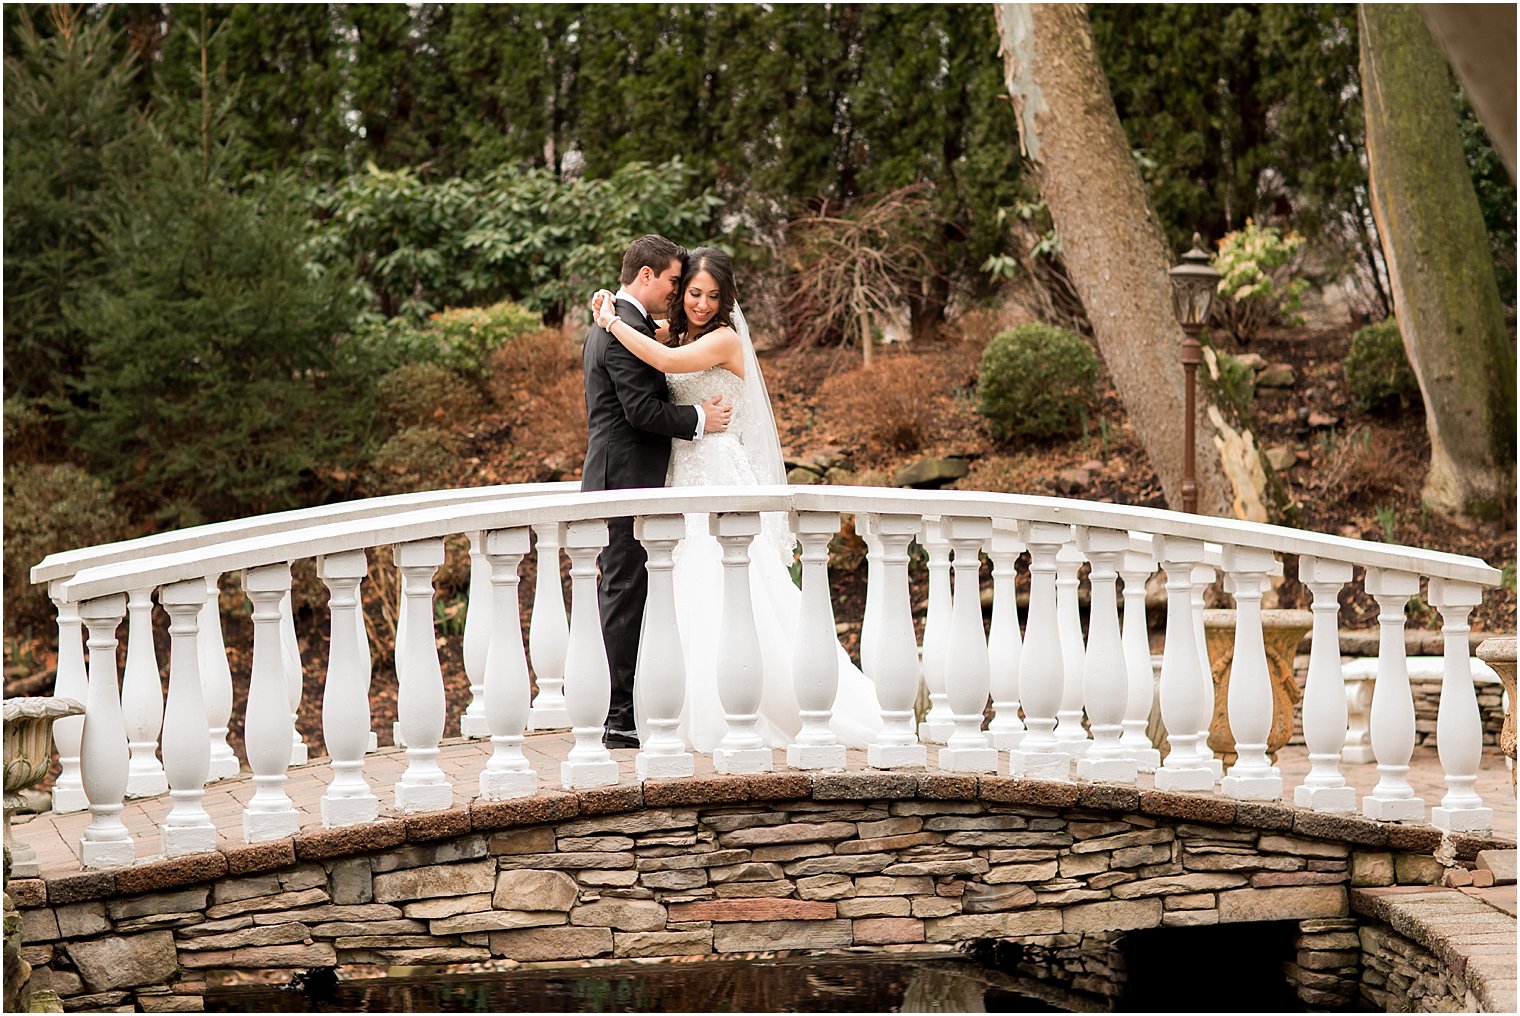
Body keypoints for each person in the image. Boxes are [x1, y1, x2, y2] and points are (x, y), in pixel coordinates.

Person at [591, 247, 883, 751]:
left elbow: (662, 361)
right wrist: (614, 307)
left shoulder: (723, 340)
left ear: (727, 300)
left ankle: (740, 707)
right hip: (682, 474)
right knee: (680, 586)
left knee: (726, 581)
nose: (701, 303)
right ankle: (670, 707)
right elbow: (656, 342)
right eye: (692, 293)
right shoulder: (679, 332)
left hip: (717, 469)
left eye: (712, 295)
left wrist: (609, 320)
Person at [581, 235, 733, 750]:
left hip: (661, 478)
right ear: (646, 277)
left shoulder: (636, 327)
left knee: (651, 589)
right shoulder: (620, 329)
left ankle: (642, 705)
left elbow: (665, 353)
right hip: (623, 478)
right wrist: (698, 417)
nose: (682, 296)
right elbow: (640, 412)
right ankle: (620, 715)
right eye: (676, 284)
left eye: (702, 292)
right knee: (624, 591)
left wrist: (613, 316)